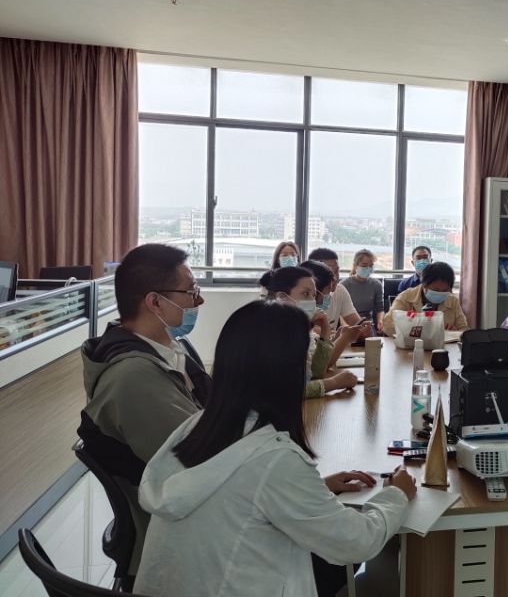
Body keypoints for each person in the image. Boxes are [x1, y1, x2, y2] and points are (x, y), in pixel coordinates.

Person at [134, 301, 416, 597]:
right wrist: (395, 495)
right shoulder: (274, 460)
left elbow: (236, 492)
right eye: (304, 356)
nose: (309, 366)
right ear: (283, 369)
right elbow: (356, 542)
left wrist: (315, 488)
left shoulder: (197, 425)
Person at [78, 243, 211, 576]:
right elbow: (203, 460)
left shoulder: (170, 348)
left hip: (191, 504)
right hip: (177, 530)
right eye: (191, 292)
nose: (199, 301)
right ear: (155, 302)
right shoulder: (134, 377)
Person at [258, 266, 359, 396]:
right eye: (305, 294)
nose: (312, 301)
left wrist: (325, 331)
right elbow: (287, 389)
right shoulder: (271, 334)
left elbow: (315, 374)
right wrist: (334, 383)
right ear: (282, 298)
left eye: (314, 295)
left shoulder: (297, 329)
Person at [383, 261, 468, 334]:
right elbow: (388, 326)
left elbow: (463, 329)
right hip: (410, 346)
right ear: (424, 285)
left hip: (444, 346)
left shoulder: (453, 300)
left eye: (445, 290)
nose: (440, 293)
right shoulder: (406, 297)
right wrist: (415, 329)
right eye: (436, 290)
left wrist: (453, 333)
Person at [306, 247, 363, 329]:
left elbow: (356, 323)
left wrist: (363, 329)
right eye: (329, 274)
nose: (335, 278)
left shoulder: (339, 290)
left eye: (336, 271)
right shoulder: (302, 299)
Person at [341, 249, 385, 333]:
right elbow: (340, 312)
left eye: (370, 265)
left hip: (368, 326)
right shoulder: (344, 285)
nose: (368, 268)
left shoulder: (376, 285)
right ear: (355, 266)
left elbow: (380, 309)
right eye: (364, 265)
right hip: (349, 325)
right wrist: (346, 327)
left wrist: (380, 321)